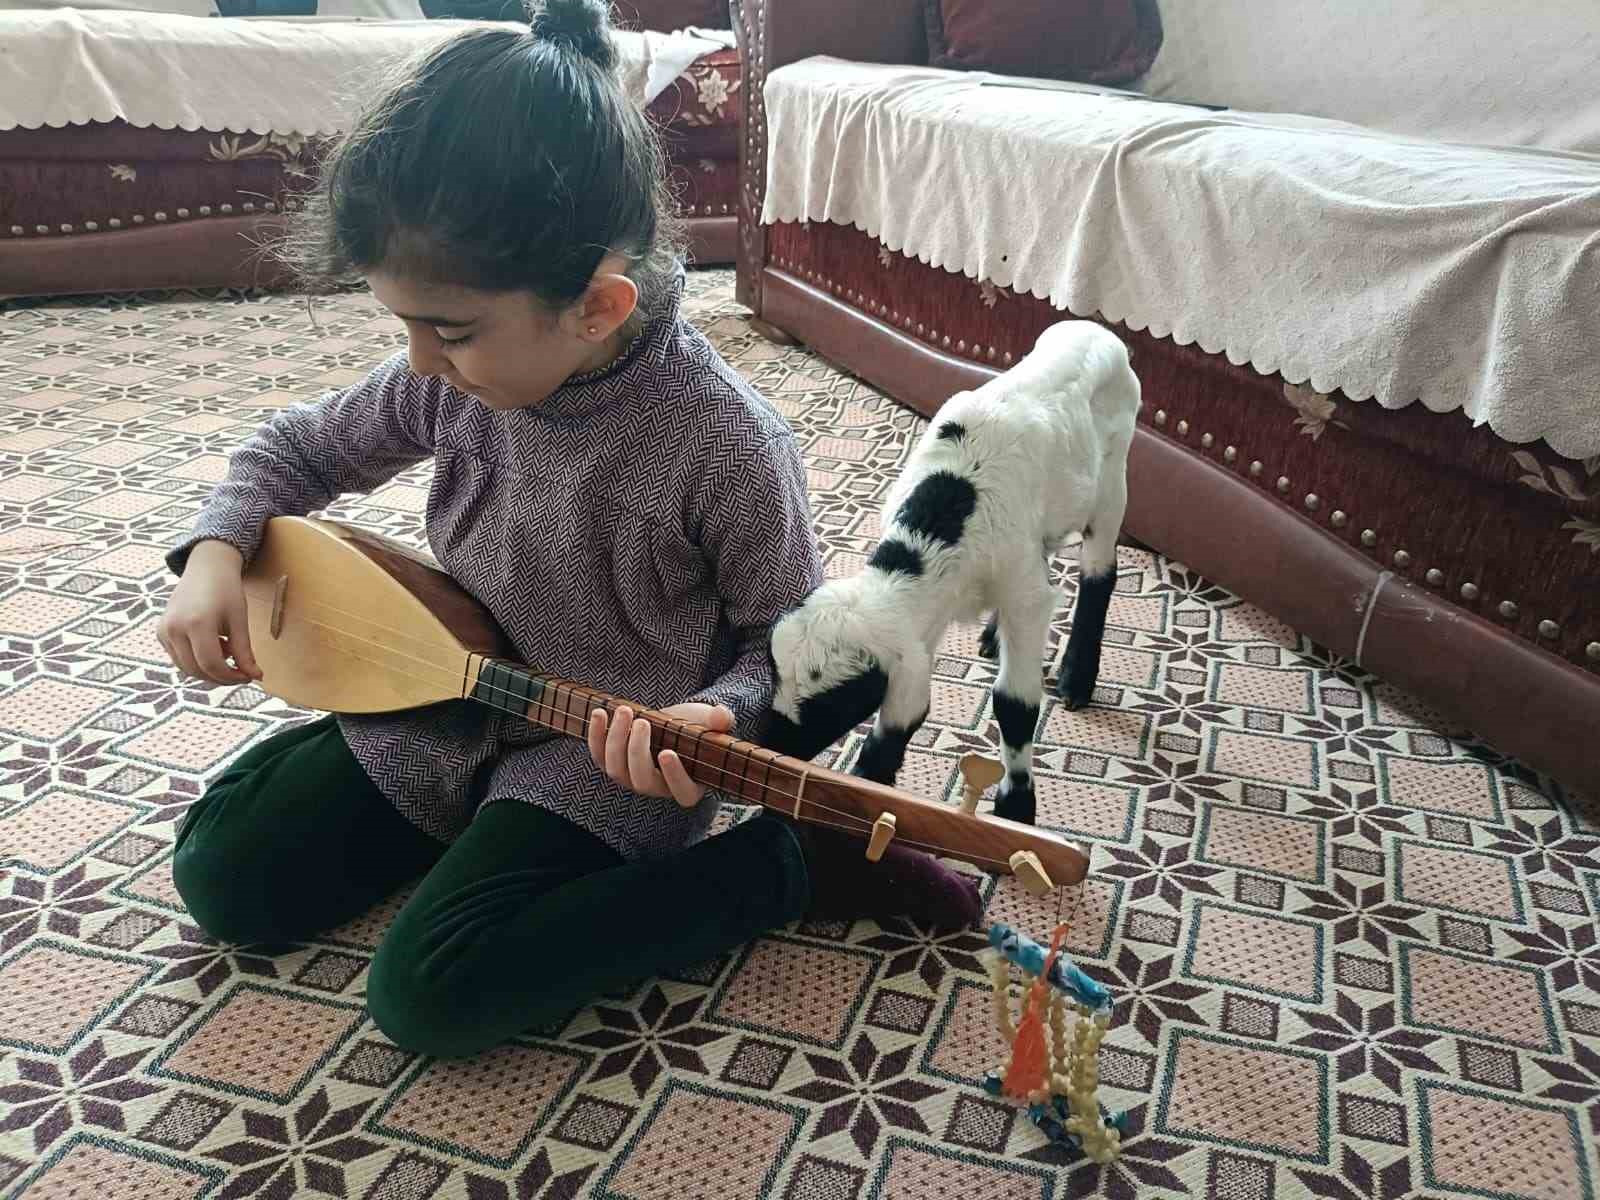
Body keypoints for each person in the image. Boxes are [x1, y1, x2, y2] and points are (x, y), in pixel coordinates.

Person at [157, 0, 981, 1059]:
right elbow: (296, 451)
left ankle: (793, 867)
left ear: (596, 307)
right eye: (402, 327)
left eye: (447, 331)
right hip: (444, 694)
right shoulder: (448, 383)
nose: (417, 364)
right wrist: (217, 551)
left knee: (433, 995)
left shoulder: (725, 445)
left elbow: (790, 647)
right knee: (225, 876)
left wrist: (714, 721)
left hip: (606, 758)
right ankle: (444, 818)